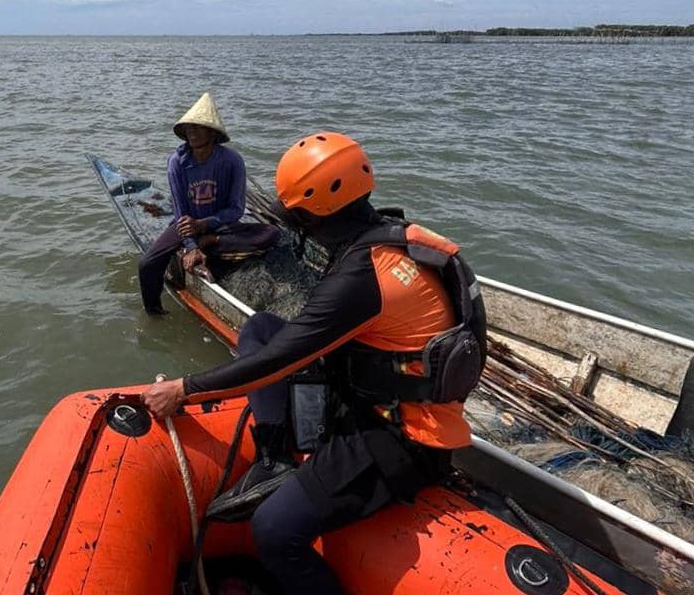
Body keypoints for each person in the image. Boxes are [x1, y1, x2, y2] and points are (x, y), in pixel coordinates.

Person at [141, 132, 487, 594]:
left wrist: (184, 389)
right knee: (262, 326)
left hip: (399, 436)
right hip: (372, 388)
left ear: (312, 213)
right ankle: (273, 459)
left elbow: (280, 361)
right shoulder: (388, 240)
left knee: (274, 530)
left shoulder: (362, 278)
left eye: (297, 216)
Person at [138, 92, 280, 315]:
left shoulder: (232, 161)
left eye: (198, 127)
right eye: (188, 128)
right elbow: (181, 210)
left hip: (219, 226)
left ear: (212, 133)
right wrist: (191, 245)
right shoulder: (177, 162)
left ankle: (210, 243)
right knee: (147, 264)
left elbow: (235, 209)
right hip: (185, 225)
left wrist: (205, 225)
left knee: (271, 233)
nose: (192, 133)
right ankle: (155, 313)